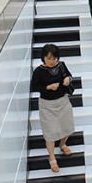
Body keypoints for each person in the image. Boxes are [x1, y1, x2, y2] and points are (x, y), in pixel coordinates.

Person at [30, 44, 75, 172]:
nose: (52, 61)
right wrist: (47, 88)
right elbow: (34, 86)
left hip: (62, 101)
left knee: (66, 126)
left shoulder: (61, 65)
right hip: (47, 104)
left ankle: (62, 144)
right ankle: (52, 157)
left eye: (54, 58)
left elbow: (69, 75)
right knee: (49, 132)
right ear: (43, 58)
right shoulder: (39, 71)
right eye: (49, 58)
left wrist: (67, 79)